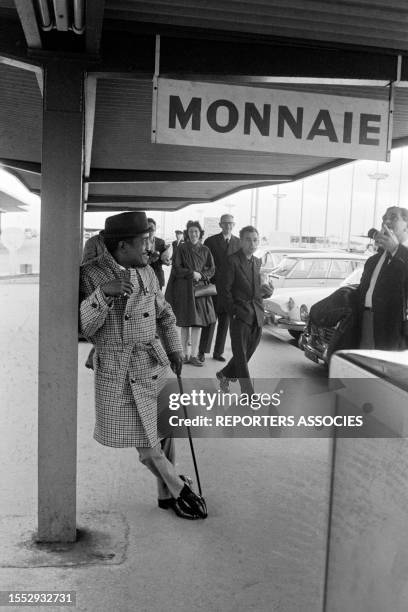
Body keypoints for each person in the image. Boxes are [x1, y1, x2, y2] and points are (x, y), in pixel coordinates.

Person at [79, 211, 207, 520]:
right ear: (123, 246)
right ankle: (180, 488)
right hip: (117, 367)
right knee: (145, 441)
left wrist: (175, 348)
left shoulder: (147, 271)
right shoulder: (91, 274)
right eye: (143, 242)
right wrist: (103, 294)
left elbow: (163, 313)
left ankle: (166, 496)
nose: (150, 248)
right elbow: (85, 327)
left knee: (165, 431)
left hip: (152, 361)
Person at [216, 225, 273, 395]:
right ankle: (248, 392)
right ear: (241, 241)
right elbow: (223, 290)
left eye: (255, 240)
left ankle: (224, 374)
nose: (252, 243)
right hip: (239, 314)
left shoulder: (257, 261)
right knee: (240, 356)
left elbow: (257, 291)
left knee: (248, 353)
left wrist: (268, 292)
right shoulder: (232, 261)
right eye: (248, 239)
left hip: (257, 313)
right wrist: (233, 311)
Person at [165, 220, 216, 366]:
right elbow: (176, 268)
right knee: (185, 323)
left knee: (197, 323)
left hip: (200, 290)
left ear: (200, 234)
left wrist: (201, 275)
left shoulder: (205, 250)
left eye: (196, 231)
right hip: (184, 289)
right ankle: (184, 355)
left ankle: (194, 355)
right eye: (191, 231)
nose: (194, 234)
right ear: (187, 233)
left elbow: (212, 269)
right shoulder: (181, 248)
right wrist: (191, 273)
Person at [357, 206, 408, 350]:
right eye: (384, 218)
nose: (386, 221)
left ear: (406, 226)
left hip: (395, 329)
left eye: (393, 217)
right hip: (367, 323)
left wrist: (396, 250)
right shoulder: (374, 260)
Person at [198, 213, 241, 363]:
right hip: (213, 287)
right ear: (220, 225)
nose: (228, 226)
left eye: (231, 223)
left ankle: (218, 352)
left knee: (225, 322)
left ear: (233, 225)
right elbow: (204, 263)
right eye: (225, 223)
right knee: (209, 320)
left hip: (229, 290)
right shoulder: (210, 241)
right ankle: (202, 351)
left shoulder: (239, 243)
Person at [147, 217, 171, 290]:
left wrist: (167, 262)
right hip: (145, 275)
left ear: (155, 228)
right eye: (148, 227)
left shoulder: (161, 242)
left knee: (158, 299)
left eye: (152, 227)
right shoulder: (141, 242)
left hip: (158, 275)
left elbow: (163, 259)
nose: (150, 229)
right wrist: (150, 260)